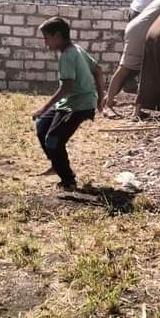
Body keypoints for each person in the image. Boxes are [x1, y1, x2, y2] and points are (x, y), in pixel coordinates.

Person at [32, 17, 104, 191]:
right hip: (69, 102)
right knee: (42, 125)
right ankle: (57, 164)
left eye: (46, 38)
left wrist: (43, 108)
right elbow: (98, 70)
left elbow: (67, 87)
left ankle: (68, 181)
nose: (45, 43)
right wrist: (100, 97)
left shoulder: (68, 56)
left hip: (79, 104)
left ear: (57, 35)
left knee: (53, 140)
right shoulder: (76, 48)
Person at [102, 0, 160, 117]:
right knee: (125, 69)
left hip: (140, 30)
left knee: (134, 71)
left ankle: (119, 104)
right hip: (140, 32)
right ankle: (107, 106)